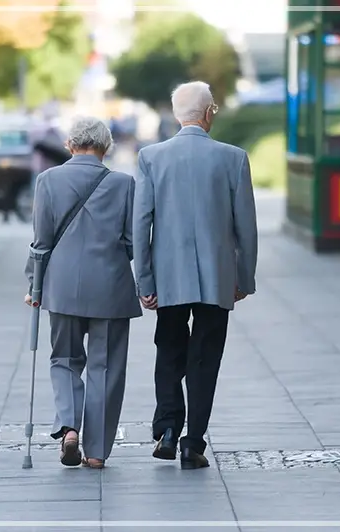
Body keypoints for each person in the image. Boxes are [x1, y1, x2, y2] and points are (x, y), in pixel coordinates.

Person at [132, 81, 258, 470]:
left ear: (176, 115)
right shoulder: (233, 158)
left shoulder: (151, 157)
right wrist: (244, 278)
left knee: (169, 349)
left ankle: (168, 429)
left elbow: (141, 223)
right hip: (217, 278)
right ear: (208, 114)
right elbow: (246, 227)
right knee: (205, 358)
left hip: (168, 277)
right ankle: (194, 443)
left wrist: (145, 281)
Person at [25, 117, 141, 469]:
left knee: (64, 359)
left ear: (70, 145)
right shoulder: (123, 184)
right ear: (106, 147)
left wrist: (34, 284)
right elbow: (132, 241)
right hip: (111, 287)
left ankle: (69, 426)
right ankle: (96, 451)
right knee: (106, 367)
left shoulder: (48, 180)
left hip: (61, 287)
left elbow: (41, 241)